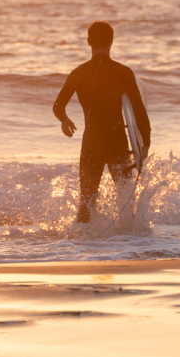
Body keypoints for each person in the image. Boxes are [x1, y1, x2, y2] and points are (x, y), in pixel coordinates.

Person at [53, 21, 151, 224]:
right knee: (126, 198)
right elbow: (139, 111)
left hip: (91, 142)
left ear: (88, 42)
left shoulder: (78, 73)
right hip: (118, 141)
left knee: (86, 200)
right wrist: (145, 144)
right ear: (112, 41)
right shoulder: (123, 72)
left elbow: (58, 106)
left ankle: (83, 243)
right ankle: (131, 241)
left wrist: (65, 120)